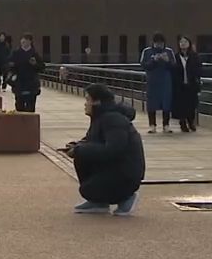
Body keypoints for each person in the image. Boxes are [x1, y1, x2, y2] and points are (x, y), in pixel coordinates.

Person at [65, 84, 145, 216]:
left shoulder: (113, 119)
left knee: (86, 179)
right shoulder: (102, 118)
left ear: (97, 102)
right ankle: (98, 201)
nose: (85, 104)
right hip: (118, 168)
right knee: (81, 156)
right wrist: (77, 145)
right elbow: (93, 140)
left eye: (88, 100)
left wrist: (81, 150)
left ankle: (125, 197)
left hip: (126, 174)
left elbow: (114, 149)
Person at [140, 33, 176, 134]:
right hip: (152, 80)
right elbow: (144, 65)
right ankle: (152, 125)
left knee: (166, 102)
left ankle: (166, 125)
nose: (159, 45)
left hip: (166, 80)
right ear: (153, 43)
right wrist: (154, 60)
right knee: (151, 102)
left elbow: (174, 66)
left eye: (161, 43)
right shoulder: (147, 51)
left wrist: (167, 61)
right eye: (157, 43)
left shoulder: (169, 51)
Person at [172, 36, 202, 133]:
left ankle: (191, 122)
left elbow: (198, 69)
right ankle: (182, 123)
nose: (183, 43)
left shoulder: (194, 56)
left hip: (191, 84)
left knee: (191, 104)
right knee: (181, 105)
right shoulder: (176, 57)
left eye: (185, 42)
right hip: (180, 85)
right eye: (181, 42)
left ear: (189, 44)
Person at [8, 33, 45, 112]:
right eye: (22, 41)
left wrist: (35, 64)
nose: (23, 42)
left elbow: (42, 68)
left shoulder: (35, 54)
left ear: (30, 42)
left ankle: (29, 123)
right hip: (19, 83)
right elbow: (9, 66)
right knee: (19, 105)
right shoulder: (16, 53)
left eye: (25, 41)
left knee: (30, 106)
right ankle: (20, 123)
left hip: (31, 83)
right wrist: (12, 67)